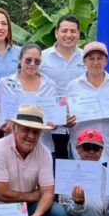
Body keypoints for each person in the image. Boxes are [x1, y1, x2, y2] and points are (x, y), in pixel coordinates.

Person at [0, 43, 58, 151]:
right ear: (20, 59)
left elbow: (54, 116)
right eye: (28, 60)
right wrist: (3, 124)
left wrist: (54, 124)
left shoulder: (50, 84)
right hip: (12, 144)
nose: (32, 64)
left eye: (37, 61)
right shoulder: (5, 83)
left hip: (43, 146)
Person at [41, 15, 86, 159]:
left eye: (73, 31)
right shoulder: (42, 58)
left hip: (81, 125)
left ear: (78, 34)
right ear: (56, 33)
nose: (69, 35)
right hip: (51, 128)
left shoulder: (87, 58)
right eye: (64, 31)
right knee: (53, 166)